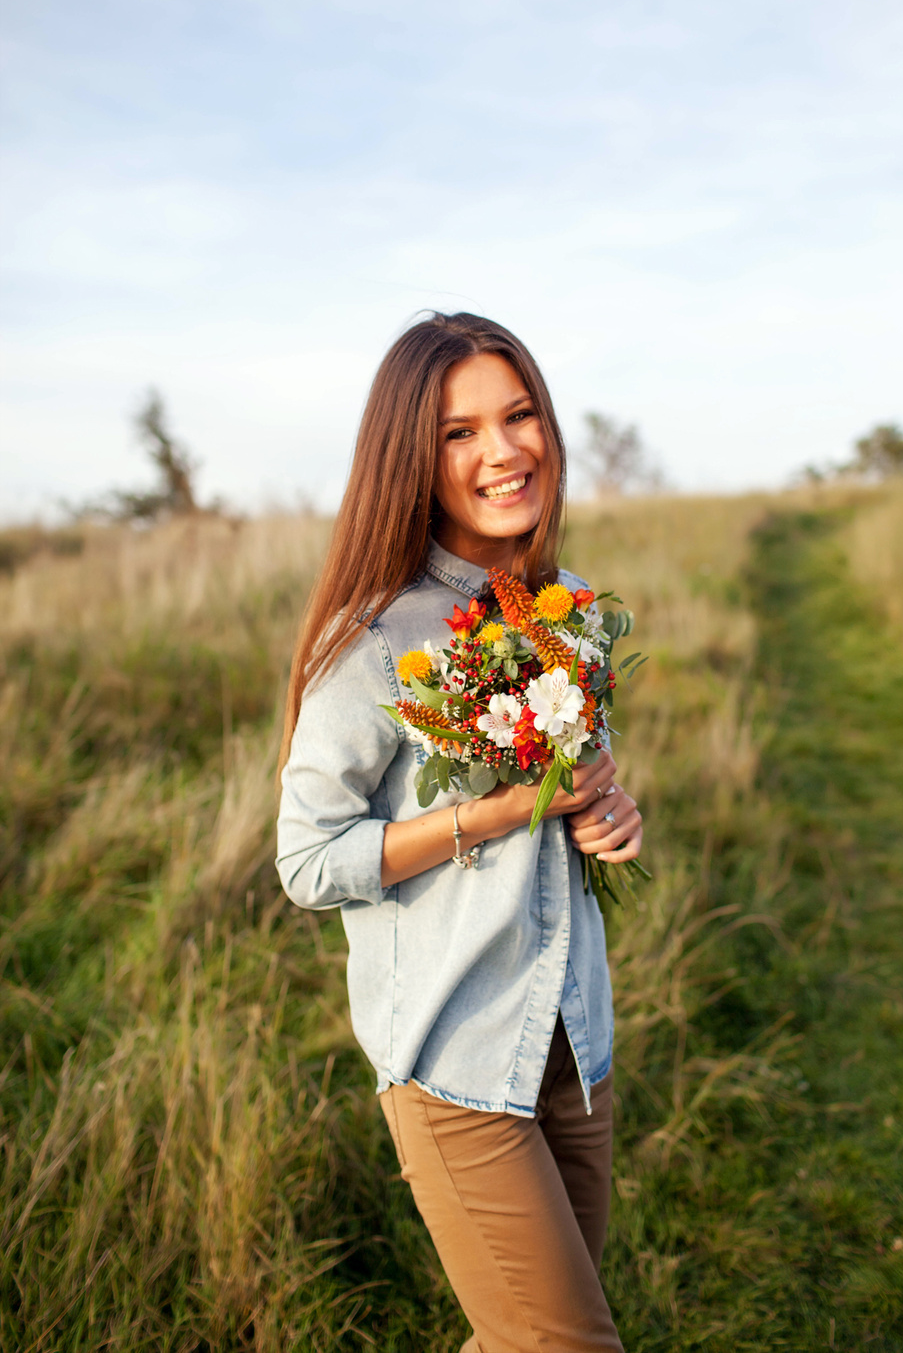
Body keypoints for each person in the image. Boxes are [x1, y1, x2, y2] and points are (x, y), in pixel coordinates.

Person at [277, 312, 644, 1352]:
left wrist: (610, 809)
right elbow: (306, 861)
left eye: (519, 415)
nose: (503, 451)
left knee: (520, 1336)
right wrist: (483, 818)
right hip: (457, 1060)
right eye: (459, 433)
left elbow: (582, 786)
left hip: (573, 1039)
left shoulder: (561, 608)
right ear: (413, 457)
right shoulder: (376, 642)